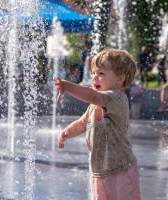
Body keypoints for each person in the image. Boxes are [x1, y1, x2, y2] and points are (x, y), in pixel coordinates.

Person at [55, 49, 140, 200]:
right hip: (99, 171)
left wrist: (68, 86)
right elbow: (82, 123)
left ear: (120, 79)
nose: (95, 77)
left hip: (121, 170)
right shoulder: (94, 105)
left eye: (101, 74)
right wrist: (67, 132)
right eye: (93, 73)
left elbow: (93, 95)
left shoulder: (117, 98)